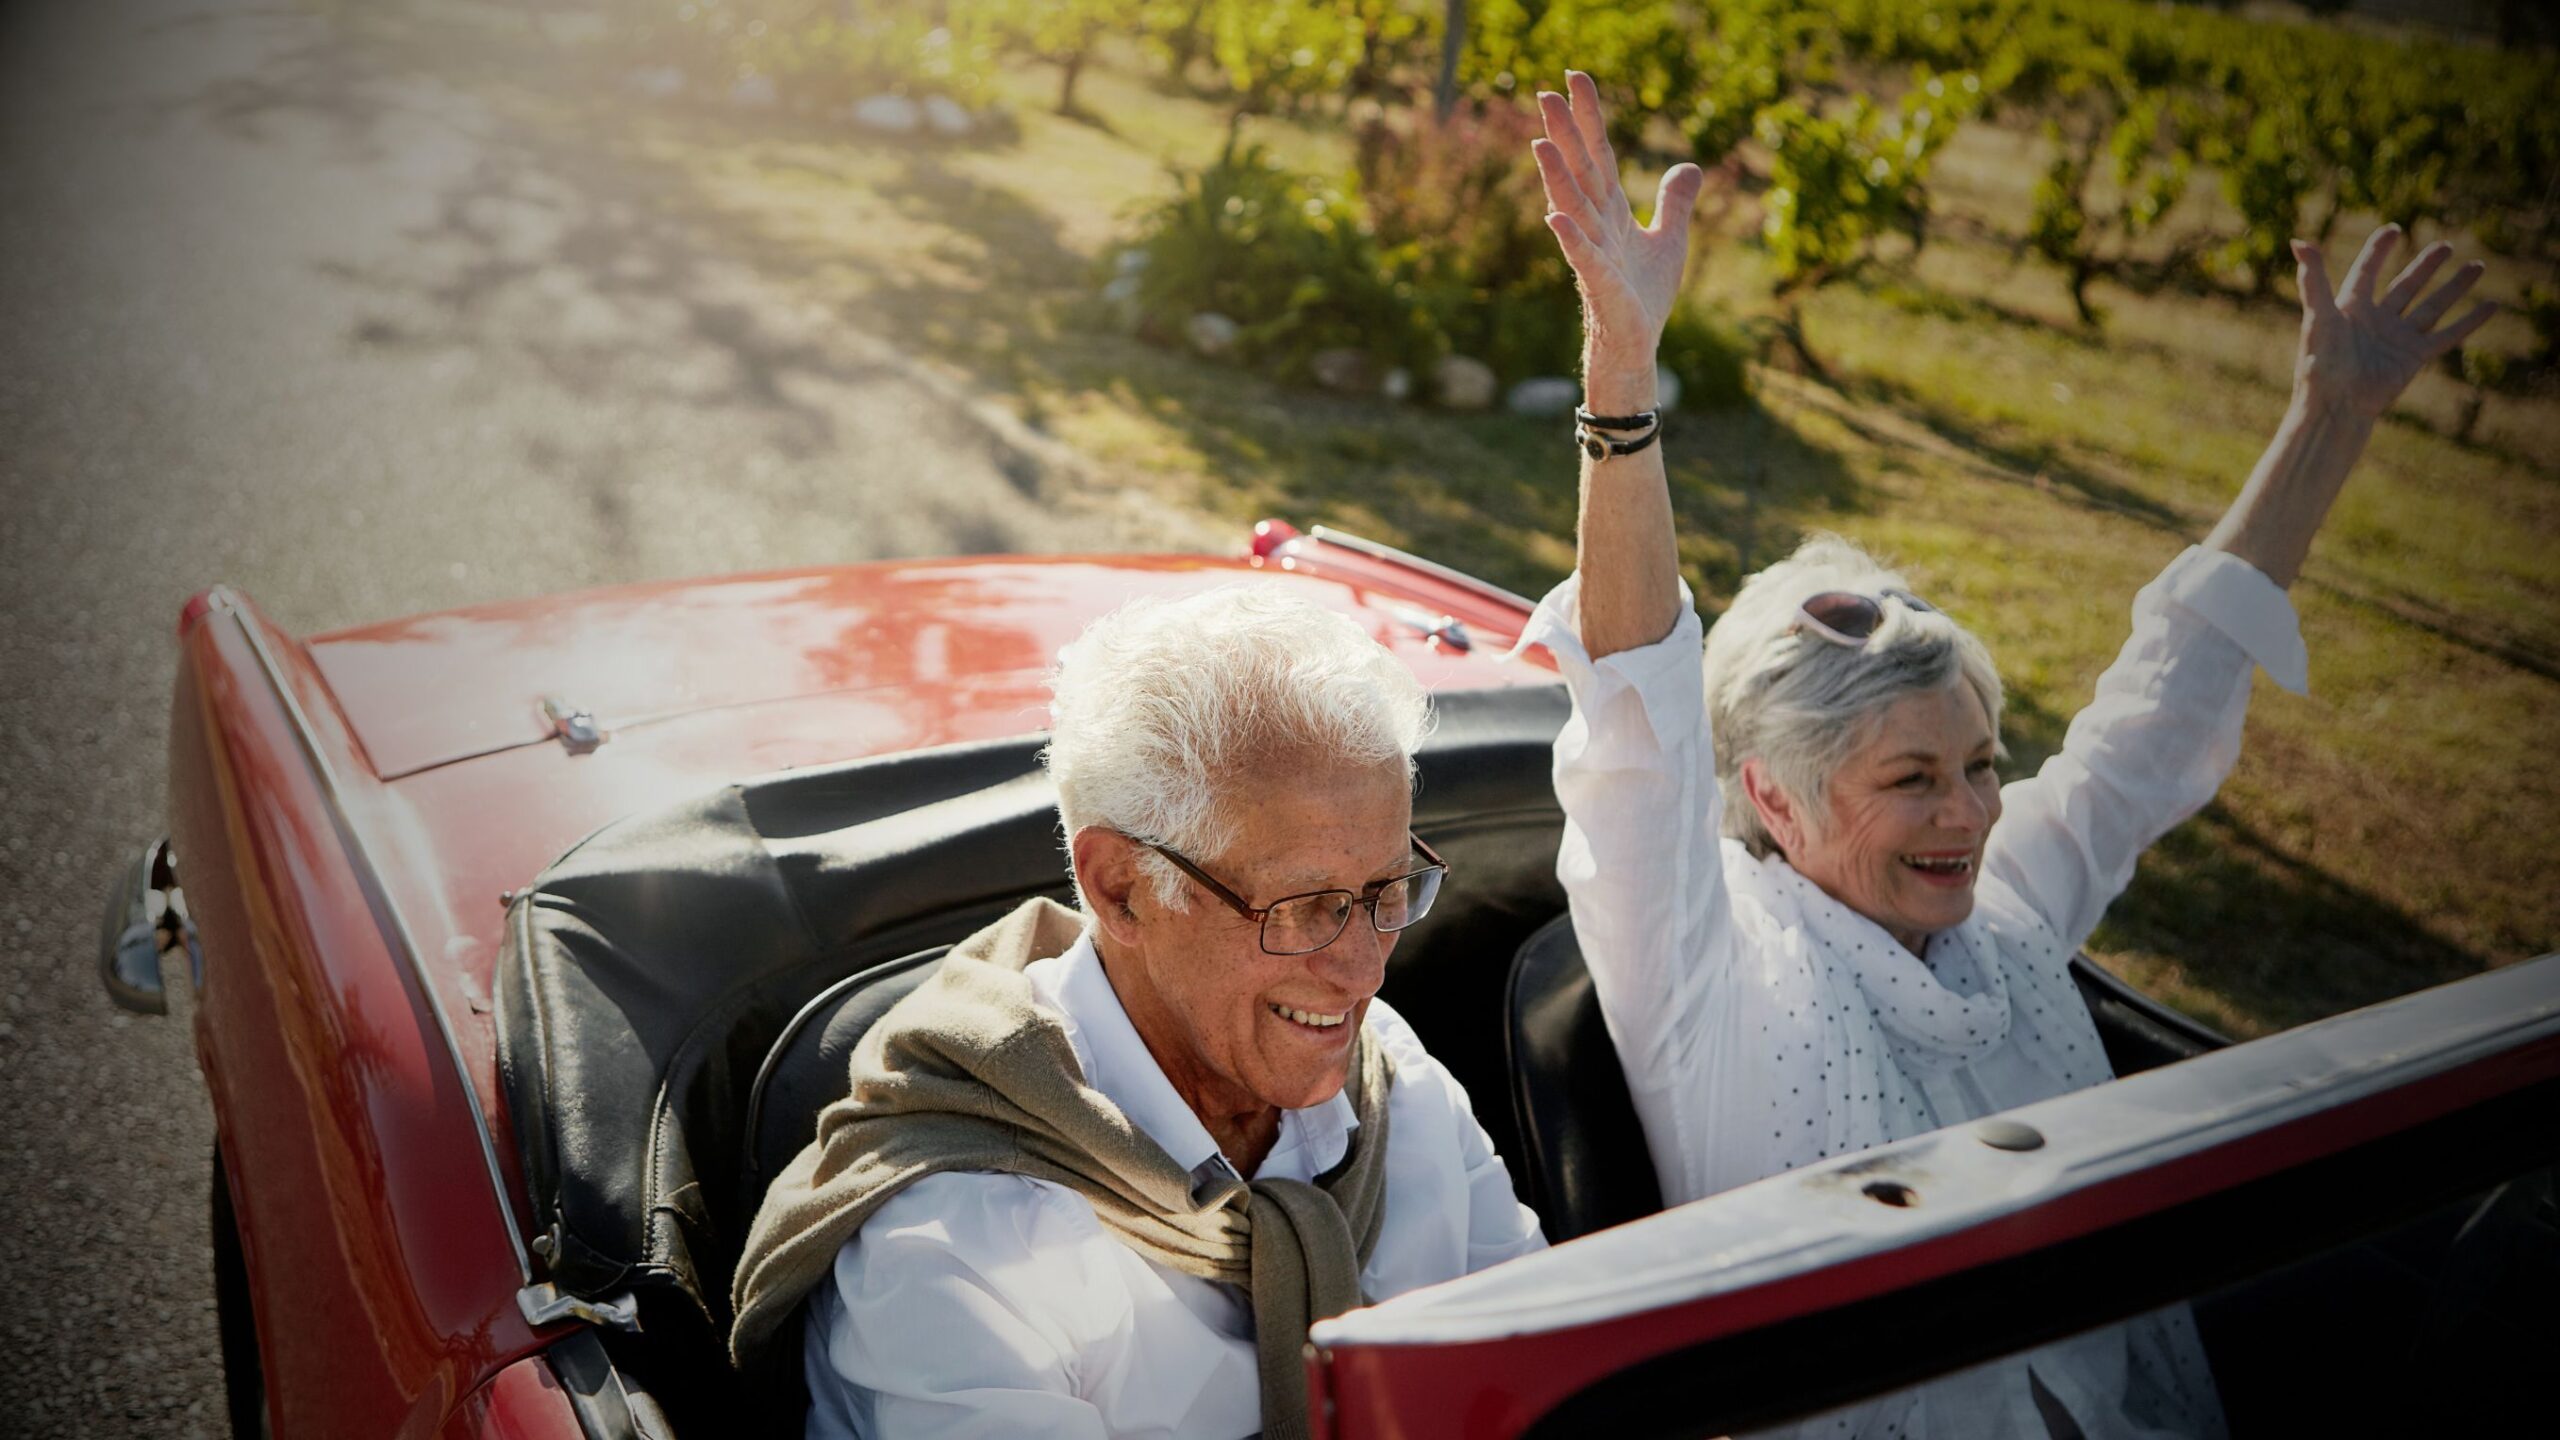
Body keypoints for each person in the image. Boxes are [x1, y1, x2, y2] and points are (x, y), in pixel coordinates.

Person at [1519, 71, 2494, 1439]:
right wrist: (1621, 375)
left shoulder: (2000, 914)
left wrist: (2331, 412)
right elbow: (1634, 715)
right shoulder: (1705, 975)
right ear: (1772, 801)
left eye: (1981, 765)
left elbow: (2161, 703)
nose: (1971, 815)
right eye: (1910, 779)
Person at [728, 585, 1546, 1440]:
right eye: (1303, 905)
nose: (1363, 970)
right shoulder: (957, 1250)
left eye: (1387, 891)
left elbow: (1557, 1383)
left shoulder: (1396, 1086)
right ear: (1120, 889)